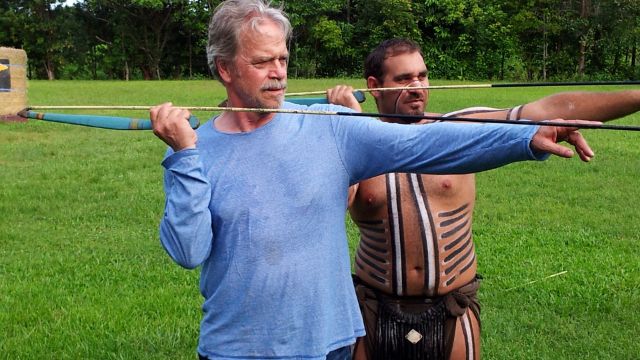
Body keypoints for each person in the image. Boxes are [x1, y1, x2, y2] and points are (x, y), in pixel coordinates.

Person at [149, 2, 597, 359]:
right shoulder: (195, 148)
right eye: (263, 61)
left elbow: (435, 143)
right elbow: (188, 252)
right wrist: (184, 154)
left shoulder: (329, 126)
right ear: (225, 69)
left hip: (329, 345)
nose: (279, 73)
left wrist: (525, 138)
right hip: (235, 349)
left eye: (283, 58)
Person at [326, 38, 640, 360]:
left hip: (451, 306)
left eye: (423, 75)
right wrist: (348, 122)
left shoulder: (458, 127)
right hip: (374, 305)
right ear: (375, 86)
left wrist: (637, 97)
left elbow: (546, 110)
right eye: (404, 79)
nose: (418, 86)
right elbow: (336, 203)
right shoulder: (352, 139)